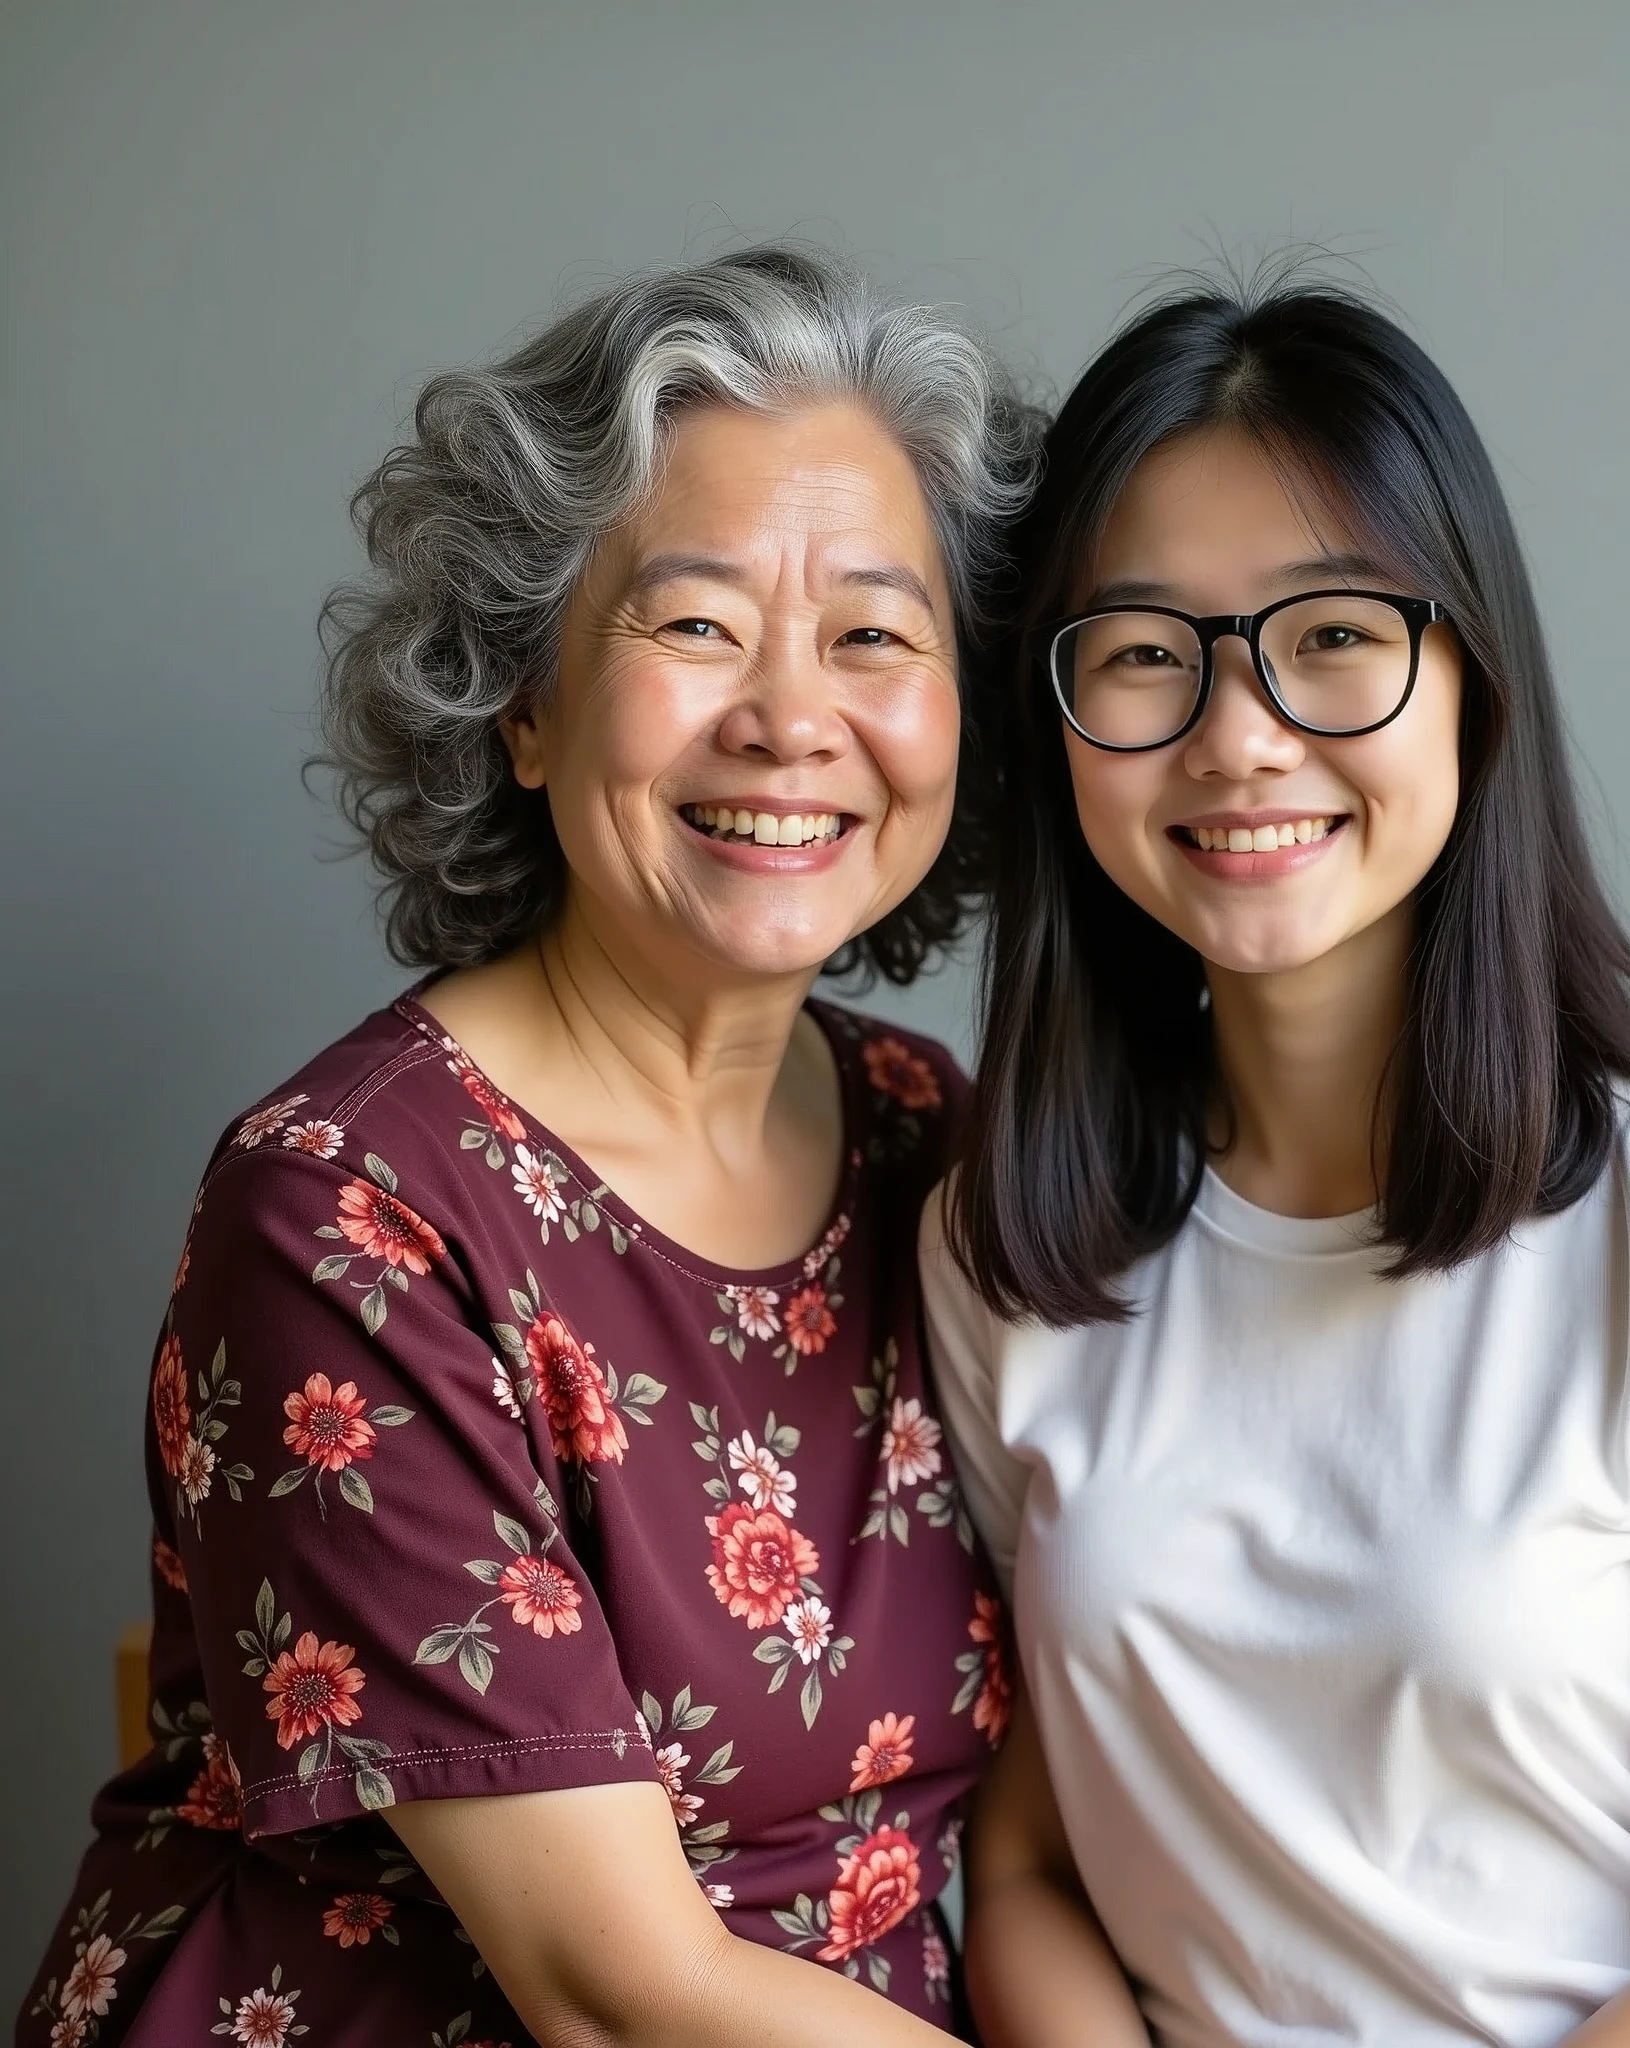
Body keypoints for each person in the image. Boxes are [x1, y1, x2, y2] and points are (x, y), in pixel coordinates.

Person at [920, 278, 1630, 2048]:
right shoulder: (1010, 1246)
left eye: (1333, 634)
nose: (1239, 733)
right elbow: (1028, 1860)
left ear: (1472, 677)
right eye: (1144, 652)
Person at [21, 247, 1035, 2048]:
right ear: (525, 703)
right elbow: (617, 1992)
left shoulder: (934, 1141)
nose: (794, 719)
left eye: (876, 634)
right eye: (696, 621)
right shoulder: (344, 1209)